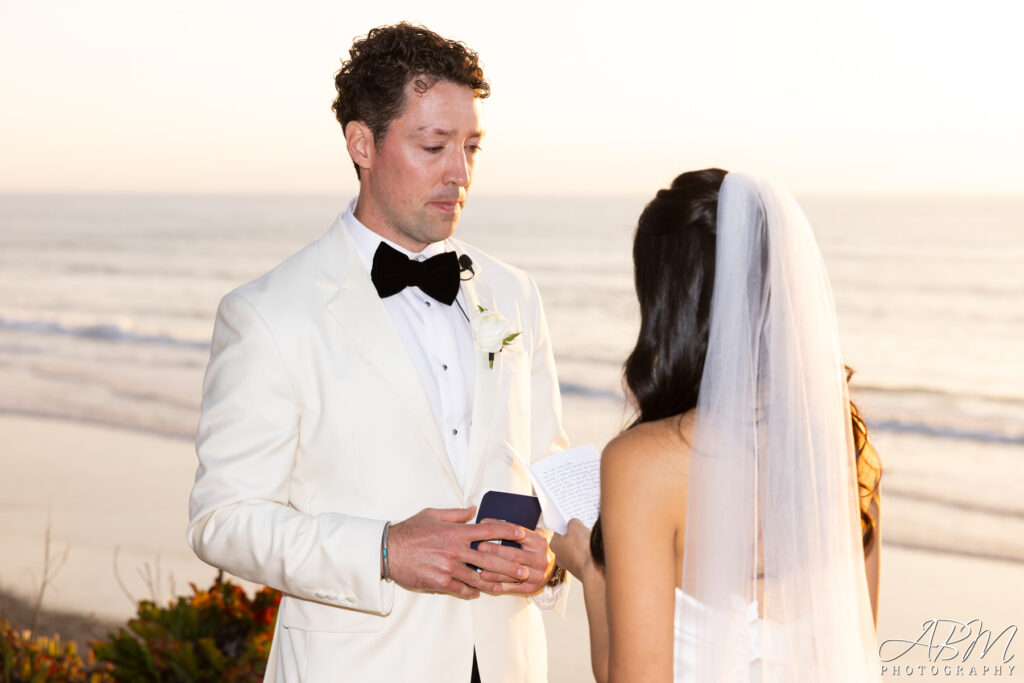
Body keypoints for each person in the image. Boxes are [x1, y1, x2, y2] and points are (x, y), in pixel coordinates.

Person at [187, 23, 569, 683]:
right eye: (434, 145)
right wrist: (384, 549)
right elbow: (223, 520)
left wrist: (553, 558)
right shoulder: (268, 313)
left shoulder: (514, 292)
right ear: (362, 143)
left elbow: (548, 468)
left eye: (472, 146)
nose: (461, 172)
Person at [551, 169, 882, 682]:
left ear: (668, 305)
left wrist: (592, 573)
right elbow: (857, 646)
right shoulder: (840, 445)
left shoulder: (644, 464)